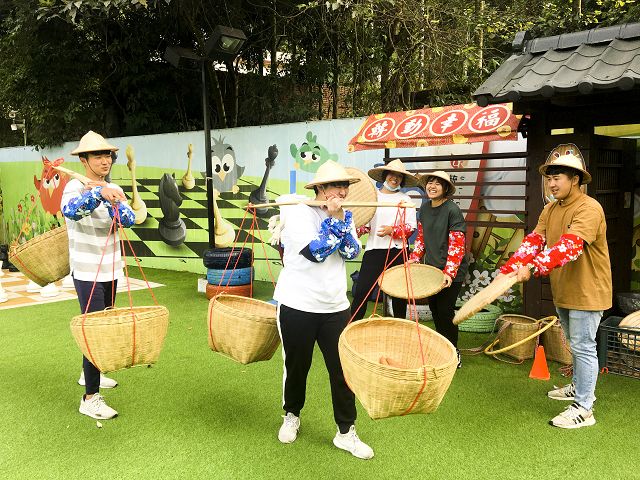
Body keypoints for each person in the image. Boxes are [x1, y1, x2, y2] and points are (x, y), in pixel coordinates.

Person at [498, 154, 611, 429]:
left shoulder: (589, 208)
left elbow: (569, 246)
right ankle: (577, 386)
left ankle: (585, 407)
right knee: (574, 344)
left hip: (588, 291)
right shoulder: (551, 209)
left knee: (584, 347)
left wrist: (532, 269)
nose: (551, 183)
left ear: (575, 180)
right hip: (565, 289)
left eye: (557, 178)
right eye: (548, 178)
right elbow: (535, 240)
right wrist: (513, 267)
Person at [273, 160, 374, 460]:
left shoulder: (346, 215)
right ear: (319, 188)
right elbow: (316, 252)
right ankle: (292, 414)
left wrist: (341, 219)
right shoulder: (297, 213)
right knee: (297, 366)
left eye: (344, 185)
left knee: (343, 372)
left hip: (334, 307)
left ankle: (346, 432)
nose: (341, 190)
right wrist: (336, 220)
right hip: (297, 304)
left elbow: (351, 251)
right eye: (335, 185)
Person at [61, 131, 135, 420]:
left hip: (111, 270)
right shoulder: (74, 187)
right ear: (84, 160)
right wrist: (96, 193)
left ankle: (90, 372)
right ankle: (90, 397)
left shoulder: (112, 187)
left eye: (108, 155)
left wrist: (113, 200)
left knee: (103, 327)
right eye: (98, 156)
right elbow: (71, 212)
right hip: (87, 271)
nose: (105, 160)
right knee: (93, 332)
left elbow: (128, 220)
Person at [409, 171, 468, 367]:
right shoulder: (425, 209)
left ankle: (454, 353)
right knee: (434, 309)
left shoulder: (452, 210)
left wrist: (449, 273)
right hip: (432, 270)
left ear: (445, 189)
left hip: (452, 272)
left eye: (437, 184)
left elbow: (457, 246)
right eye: (430, 183)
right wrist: (414, 258)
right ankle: (442, 349)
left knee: (445, 311)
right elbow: (421, 238)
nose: (432, 186)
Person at [351, 159, 418, 321]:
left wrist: (392, 230)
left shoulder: (406, 200)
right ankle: (351, 326)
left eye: (399, 177)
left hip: (398, 252)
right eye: (392, 175)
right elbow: (365, 224)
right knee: (362, 291)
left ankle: (400, 326)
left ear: (402, 180)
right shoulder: (373, 198)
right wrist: (355, 230)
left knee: (399, 294)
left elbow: (410, 228)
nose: (395, 179)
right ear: (384, 175)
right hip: (374, 250)